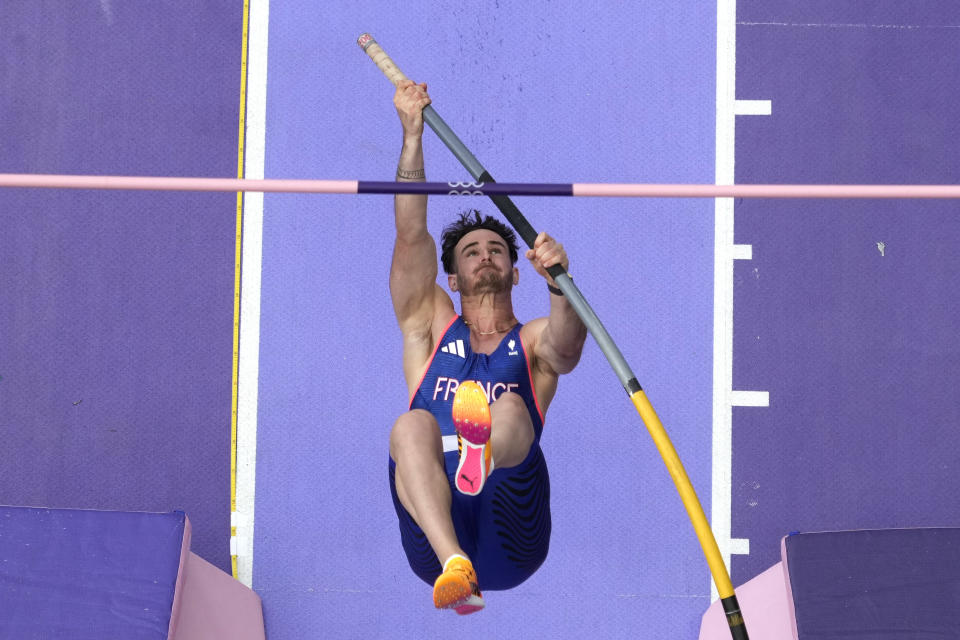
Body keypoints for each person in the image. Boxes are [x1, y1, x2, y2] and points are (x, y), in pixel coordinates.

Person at [388, 79, 587, 615]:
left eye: (497, 249)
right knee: (409, 427)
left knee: (509, 406)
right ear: (451, 279)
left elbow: (568, 349)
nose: (484, 256)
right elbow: (412, 237)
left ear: (516, 274)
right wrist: (412, 134)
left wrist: (560, 281)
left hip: (513, 533)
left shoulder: (534, 340)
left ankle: (484, 455)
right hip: (437, 537)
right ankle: (457, 568)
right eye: (471, 252)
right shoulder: (428, 327)